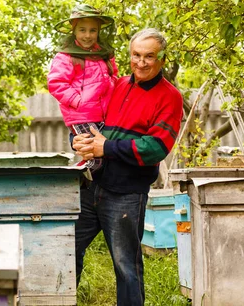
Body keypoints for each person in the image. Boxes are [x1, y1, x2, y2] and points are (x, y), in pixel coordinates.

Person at [72, 28, 184, 305]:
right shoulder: (119, 85)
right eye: (136, 55)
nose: (141, 62)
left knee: (126, 266)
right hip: (92, 185)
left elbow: (155, 148)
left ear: (161, 60)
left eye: (149, 56)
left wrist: (106, 147)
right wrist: (80, 140)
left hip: (126, 195)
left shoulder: (170, 96)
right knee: (63, 248)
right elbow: (94, 124)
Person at [47, 4, 118, 173]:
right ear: (74, 30)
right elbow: (56, 83)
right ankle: (73, 180)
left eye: (93, 30)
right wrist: (79, 101)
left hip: (104, 114)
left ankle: (83, 183)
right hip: (82, 115)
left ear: (99, 31)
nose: (88, 35)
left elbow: (114, 75)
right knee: (93, 156)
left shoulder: (104, 54)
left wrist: (111, 92)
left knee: (101, 153)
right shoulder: (65, 56)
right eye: (82, 30)